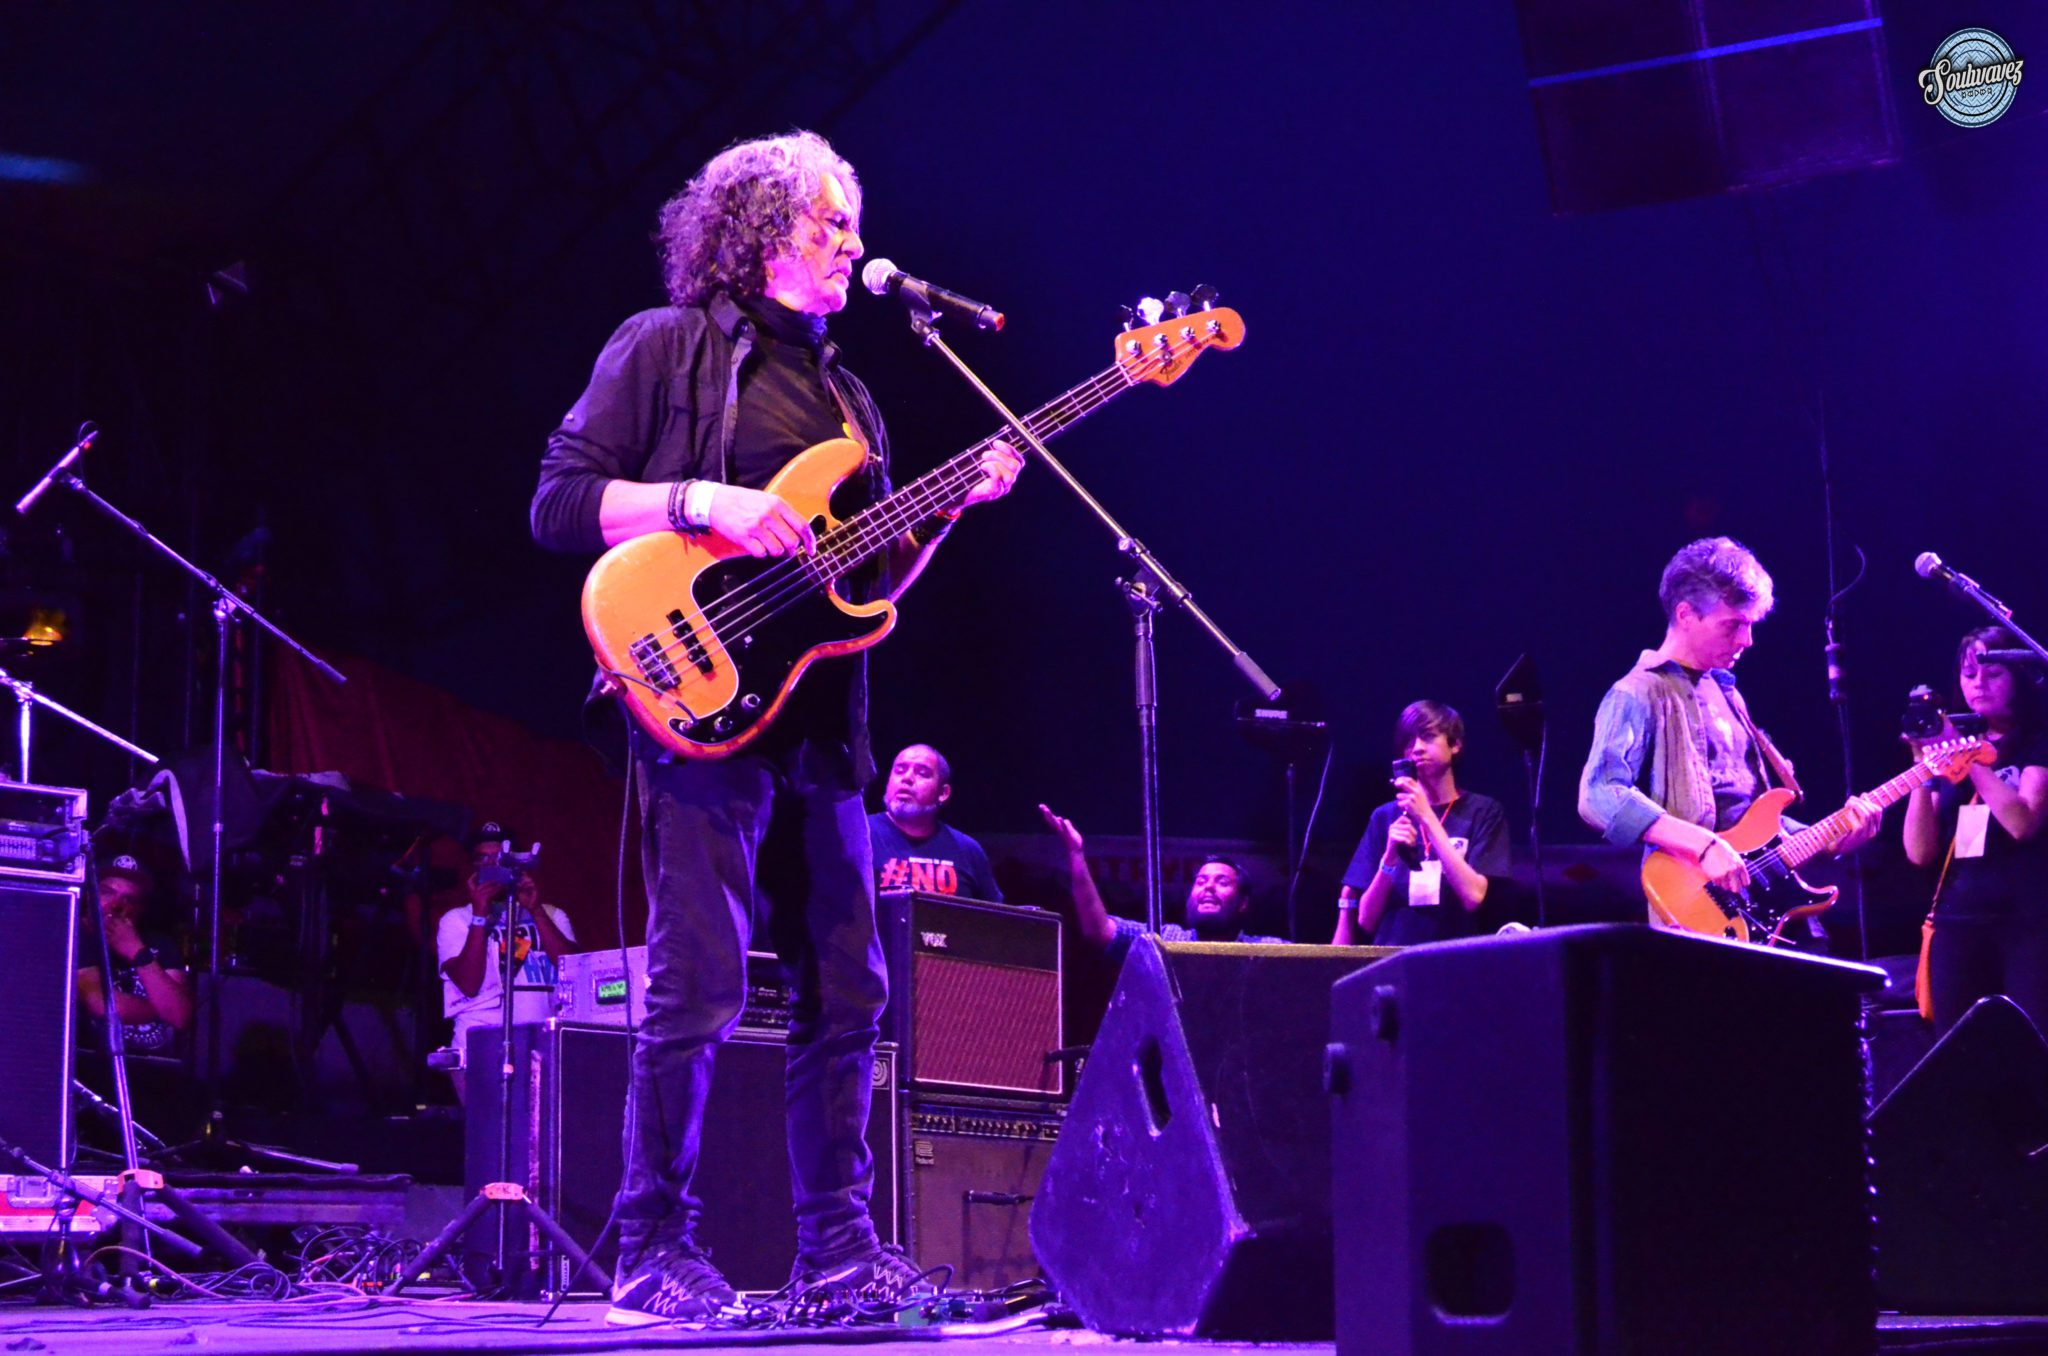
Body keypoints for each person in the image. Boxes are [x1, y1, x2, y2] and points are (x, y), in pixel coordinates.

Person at [530, 131, 1021, 1325]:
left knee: (848, 991)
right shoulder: (665, 347)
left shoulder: (852, 399)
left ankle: (838, 1255)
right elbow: (558, 502)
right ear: (757, 234)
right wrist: (706, 501)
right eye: (827, 223)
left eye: (852, 222)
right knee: (697, 984)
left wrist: (951, 507)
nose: (853, 244)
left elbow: (867, 589)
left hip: (819, 733)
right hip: (698, 707)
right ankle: (650, 1248)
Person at [1578, 537, 1879, 932]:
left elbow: (1749, 820)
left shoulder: (1728, 694)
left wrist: (1833, 838)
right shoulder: (1637, 692)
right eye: (1733, 625)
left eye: (1750, 626)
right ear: (1686, 614)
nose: (1746, 641)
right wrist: (1703, 844)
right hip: (1699, 914)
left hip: (1769, 912)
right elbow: (1599, 794)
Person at [1903, 626, 2048, 1033]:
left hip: (2026, 922)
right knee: (1957, 1050)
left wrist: (1966, 758)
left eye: (1993, 672)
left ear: (2019, 676)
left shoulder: (2036, 741)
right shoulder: (1957, 746)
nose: (1978, 683)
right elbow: (1919, 851)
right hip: (1960, 920)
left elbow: (2022, 822)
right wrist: (1921, 768)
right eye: (1968, 674)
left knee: (2031, 1048)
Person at [1331, 701, 1509, 946]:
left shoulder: (1483, 812)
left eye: (1428, 737)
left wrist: (1426, 816)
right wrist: (1389, 860)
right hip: (1393, 956)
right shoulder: (1385, 816)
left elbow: (1473, 896)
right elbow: (1365, 920)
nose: (1416, 748)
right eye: (1409, 741)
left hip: (1454, 956)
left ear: (1455, 745)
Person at [436, 823, 576, 1104]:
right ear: (473, 867)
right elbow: (469, 984)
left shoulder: (552, 915)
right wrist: (479, 915)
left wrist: (535, 910)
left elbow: (572, 970)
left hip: (541, 1050)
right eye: (483, 859)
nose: (491, 865)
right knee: (487, 1130)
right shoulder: (456, 920)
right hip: (479, 1052)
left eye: (499, 858)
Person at [1036, 805, 1283, 960]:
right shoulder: (1168, 939)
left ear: (1243, 903)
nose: (1208, 887)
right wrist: (1076, 854)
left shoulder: (1265, 951)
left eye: (1222, 882)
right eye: (1200, 881)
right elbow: (1099, 930)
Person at [74, 854, 193, 1055]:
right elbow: (103, 1005)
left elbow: (181, 1018)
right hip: (91, 1063)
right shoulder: (73, 934)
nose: (116, 904)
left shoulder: (159, 944)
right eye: (107, 892)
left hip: (157, 1066)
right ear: (89, 895)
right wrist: (164, 1009)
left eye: (129, 899)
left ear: (140, 908)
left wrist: (136, 950)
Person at [870, 744, 1003, 901]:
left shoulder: (968, 850)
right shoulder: (860, 833)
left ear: (943, 793)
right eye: (899, 770)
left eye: (922, 774)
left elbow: (996, 914)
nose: (907, 778)